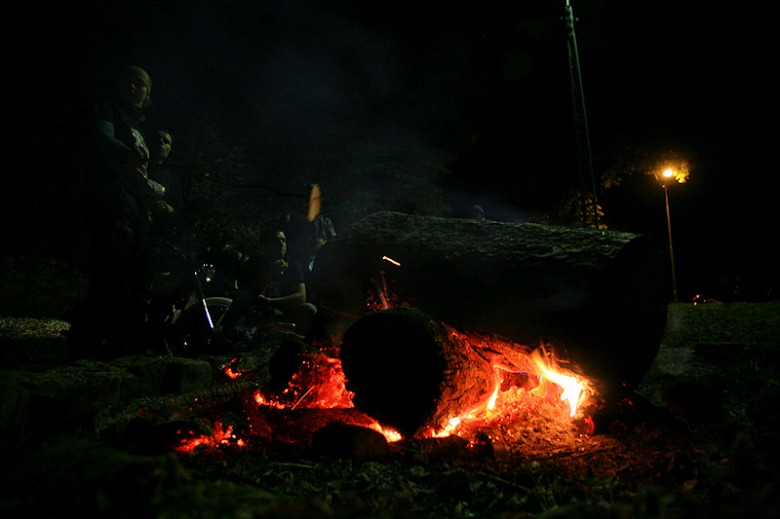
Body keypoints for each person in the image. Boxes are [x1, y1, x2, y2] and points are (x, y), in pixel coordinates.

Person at [68, 65, 158, 360]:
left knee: (134, 275)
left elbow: (141, 174)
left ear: (147, 94)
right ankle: (91, 344)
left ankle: (124, 342)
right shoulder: (107, 110)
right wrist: (124, 154)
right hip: (112, 199)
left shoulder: (139, 124)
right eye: (127, 82)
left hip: (136, 205)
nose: (133, 88)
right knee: (112, 270)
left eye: (140, 84)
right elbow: (101, 140)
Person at [222, 227, 317, 342]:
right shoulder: (254, 263)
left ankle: (299, 344)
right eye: (276, 241)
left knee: (309, 309)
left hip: (283, 309)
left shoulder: (292, 265)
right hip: (256, 310)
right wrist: (270, 275)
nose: (281, 245)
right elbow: (248, 292)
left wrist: (271, 301)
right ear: (265, 245)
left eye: (283, 241)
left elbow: (301, 296)